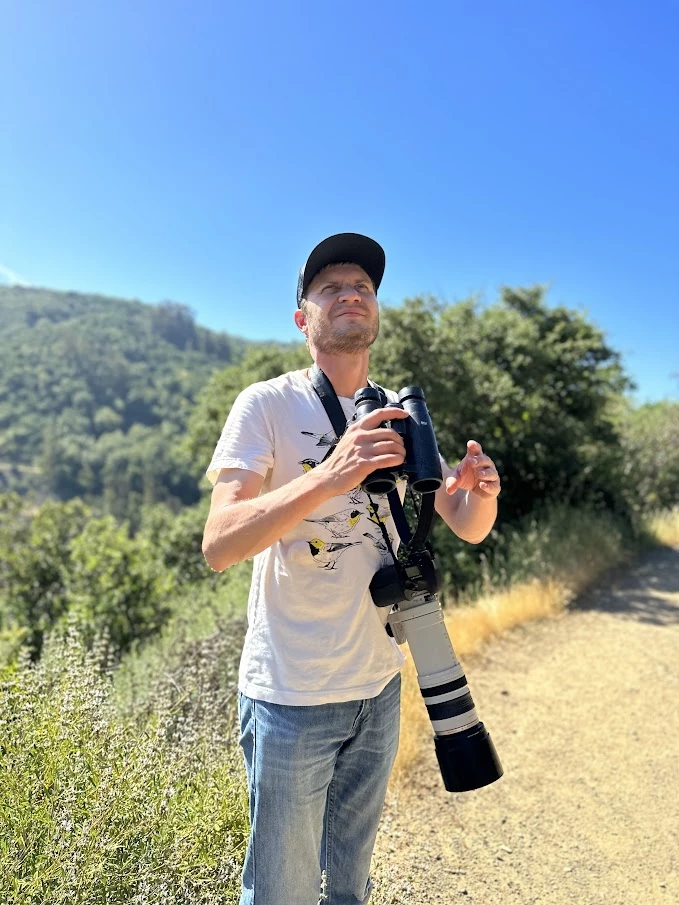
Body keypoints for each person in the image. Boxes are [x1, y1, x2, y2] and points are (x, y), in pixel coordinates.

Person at [202, 233, 501, 905]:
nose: (350, 295)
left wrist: (479, 492)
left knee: (349, 888)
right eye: (330, 287)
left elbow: (465, 524)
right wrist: (334, 472)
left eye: (362, 287)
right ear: (302, 317)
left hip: (377, 685)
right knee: (280, 892)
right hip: (291, 697)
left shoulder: (396, 408)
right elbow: (219, 543)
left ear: (374, 312)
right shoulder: (266, 405)